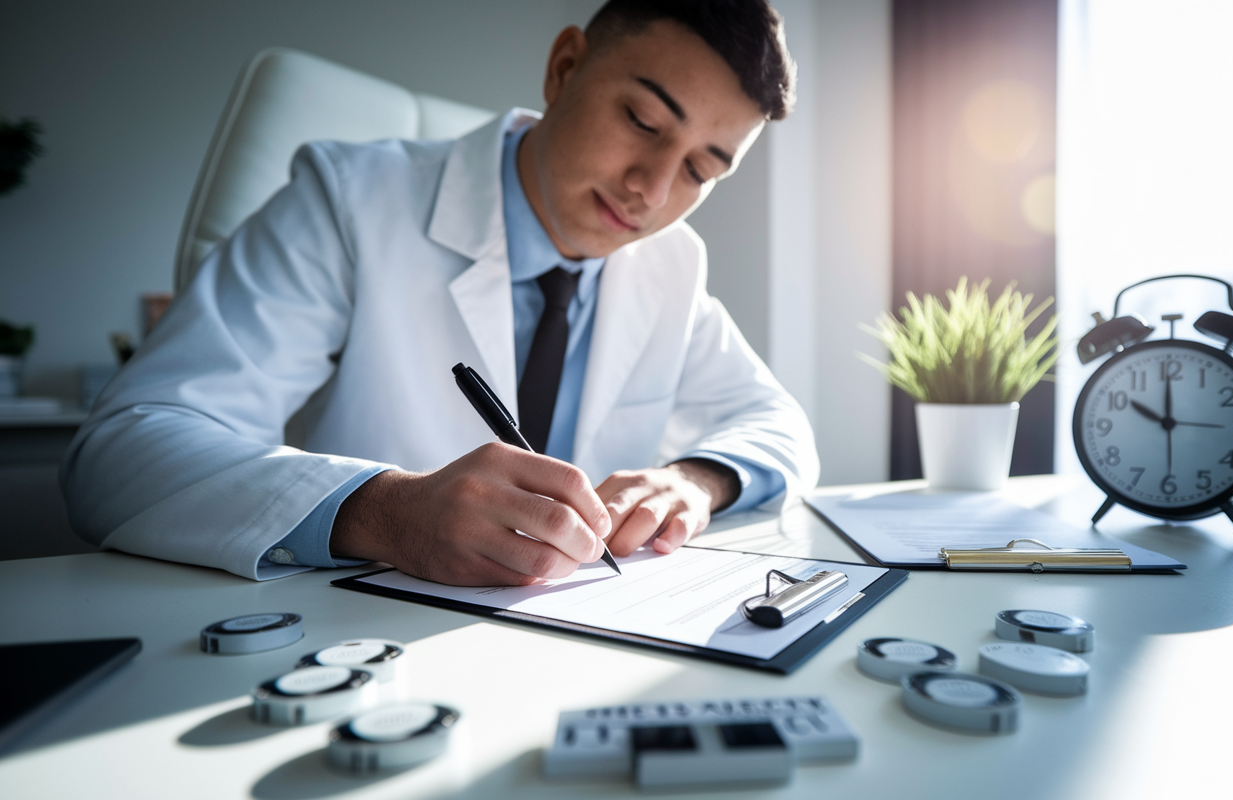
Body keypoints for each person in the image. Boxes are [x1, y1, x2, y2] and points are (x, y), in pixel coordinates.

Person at [60, 0, 819, 584]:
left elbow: (780, 426)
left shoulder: (671, 261)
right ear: (563, 69)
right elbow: (119, 454)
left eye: (701, 171)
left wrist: (695, 479)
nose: (652, 190)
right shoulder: (350, 199)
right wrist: (384, 512)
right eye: (642, 120)